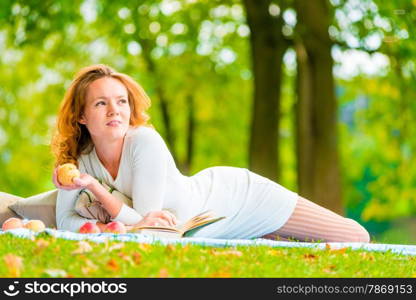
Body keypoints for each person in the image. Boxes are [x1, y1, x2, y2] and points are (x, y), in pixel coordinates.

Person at [51, 64, 370, 242]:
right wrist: (106, 225)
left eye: (121, 101)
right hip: (208, 226)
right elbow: (64, 220)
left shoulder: (142, 142)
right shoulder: (80, 161)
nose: (114, 111)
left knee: (355, 237)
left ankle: (267, 229)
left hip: (235, 198)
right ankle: (266, 236)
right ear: (81, 115)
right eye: (101, 103)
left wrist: (95, 192)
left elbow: (148, 227)